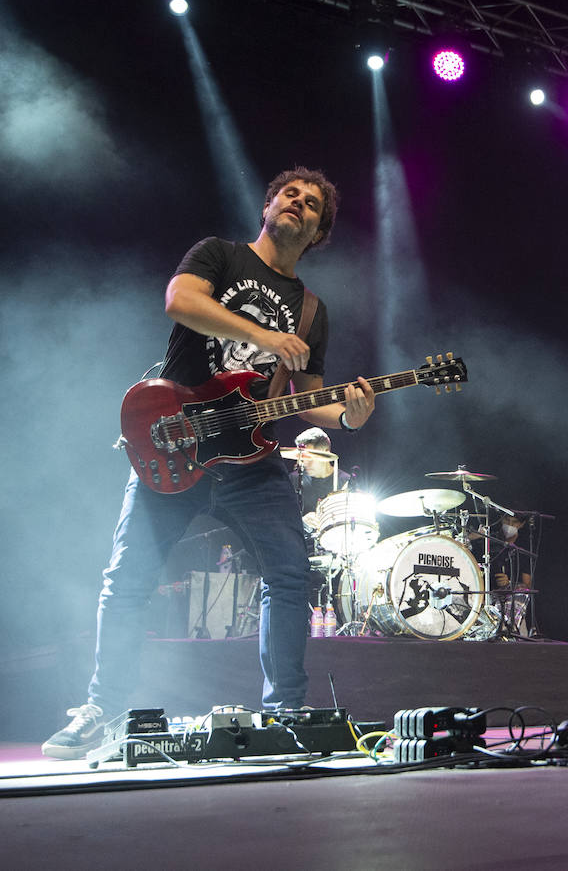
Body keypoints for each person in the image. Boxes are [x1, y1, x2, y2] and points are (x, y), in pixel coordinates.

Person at [43, 167, 377, 759]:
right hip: (175, 436)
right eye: (290, 194)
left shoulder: (311, 309)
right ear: (269, 206)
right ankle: (103, 712)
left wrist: (349, 414)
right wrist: (266, 338)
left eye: (312, 203)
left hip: (251, 457)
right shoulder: (220, 255)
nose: (298, 203)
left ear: (321, 229)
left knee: (290, 576)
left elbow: (308, 397)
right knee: (126, 582)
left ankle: (286, 715)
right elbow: (181, 301)